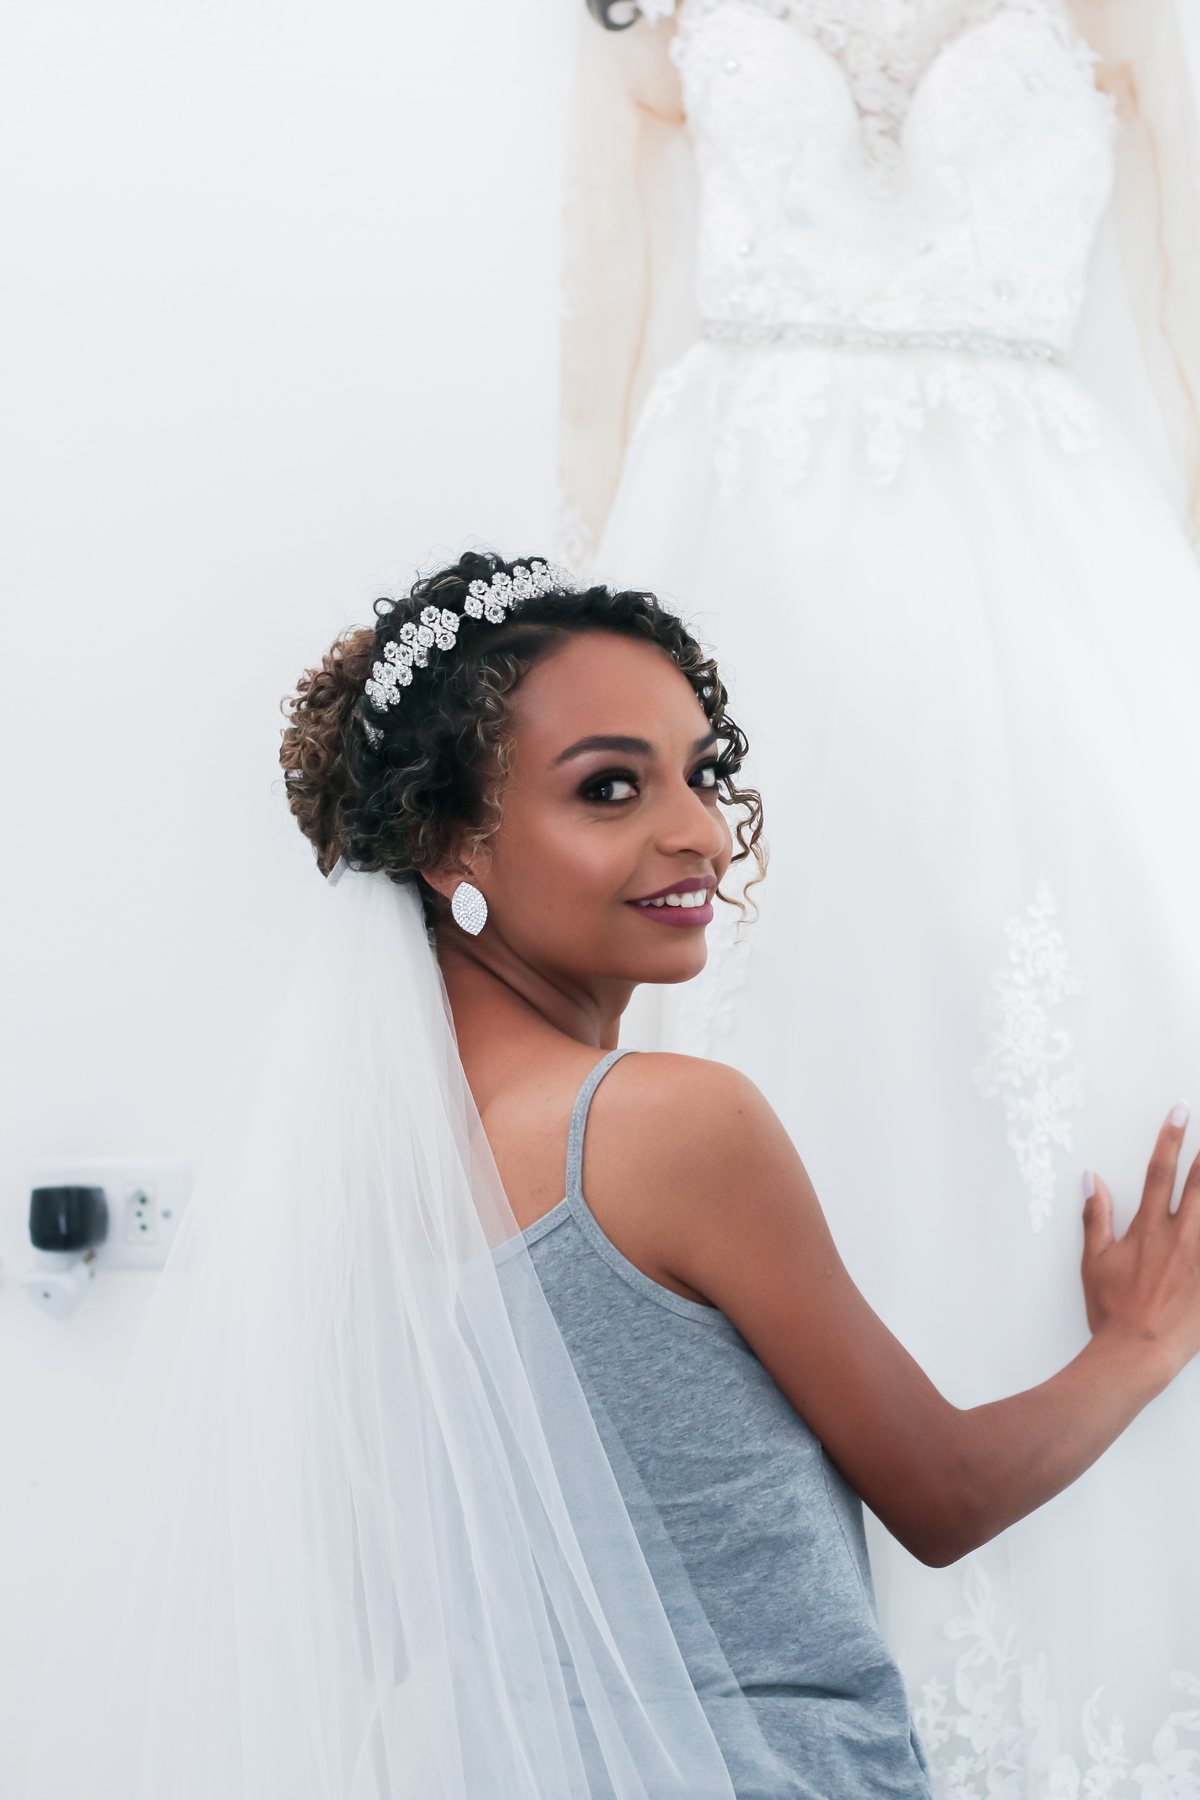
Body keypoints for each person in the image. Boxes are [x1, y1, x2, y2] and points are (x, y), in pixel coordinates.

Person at [29, 552, 1200, 1798]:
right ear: (446, 846)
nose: (699, 832)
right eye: (609, 788)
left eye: (702, 773)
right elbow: (945, 1495)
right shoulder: (664, 1127)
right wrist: (1138, 1345)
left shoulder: (348, 1173)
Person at [560, 0, 1200, 1771]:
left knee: (1043, 1106)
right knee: (764, 1083)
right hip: (735, 589)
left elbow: (1184, 318)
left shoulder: (1131, 19)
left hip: (1055, 629)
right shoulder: (645, 23)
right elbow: (590, 358)